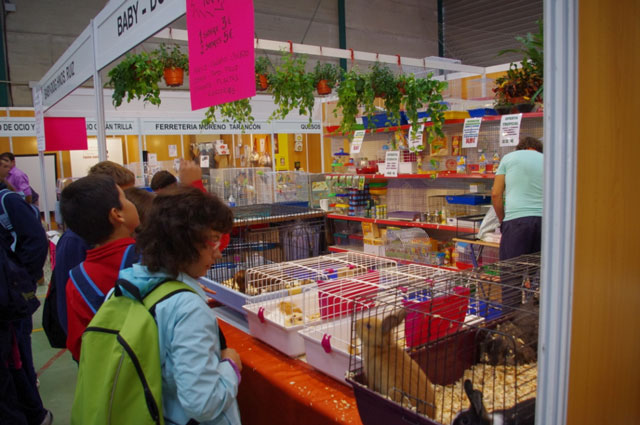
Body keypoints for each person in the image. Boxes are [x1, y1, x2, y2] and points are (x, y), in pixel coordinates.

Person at [119, 187, 242, 424]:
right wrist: (230, 366)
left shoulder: (129, 286)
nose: (218, 255)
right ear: (185, 242)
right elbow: (204, 403)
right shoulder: (188, 308)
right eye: (214, 240)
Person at [60, 174, 140, 361]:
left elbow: (78, 347)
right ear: (116, 214)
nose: (131, 202)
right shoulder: (149, 261)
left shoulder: (76, 281)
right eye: (125, 198)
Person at [0, 178, 51, 424]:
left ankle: (34, 413)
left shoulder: (7, 201)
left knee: (18, 359)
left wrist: (22, 279)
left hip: (11, 302)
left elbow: (35, 239)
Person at [491, 137, 543, 261]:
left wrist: (502, 219)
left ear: (519, 148)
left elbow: (496, 194)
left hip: (516, 221)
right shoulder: (548, 159)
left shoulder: (509, 158)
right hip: (544, 222)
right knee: (540, 273)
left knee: (512, 273)